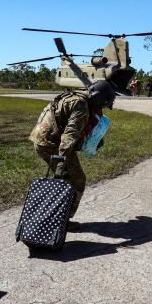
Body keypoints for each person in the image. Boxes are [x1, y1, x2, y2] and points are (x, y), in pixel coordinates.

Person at [29, 79, 116, 219]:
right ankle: (61, 221)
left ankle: (57, 218)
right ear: (98, 101)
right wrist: (61, 162)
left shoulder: (77, 96)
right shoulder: (81, 106)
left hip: (43, 139)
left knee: (66, 180)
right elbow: (70, 135)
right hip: (50, 144)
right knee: (77, 180)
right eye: (102, 106)